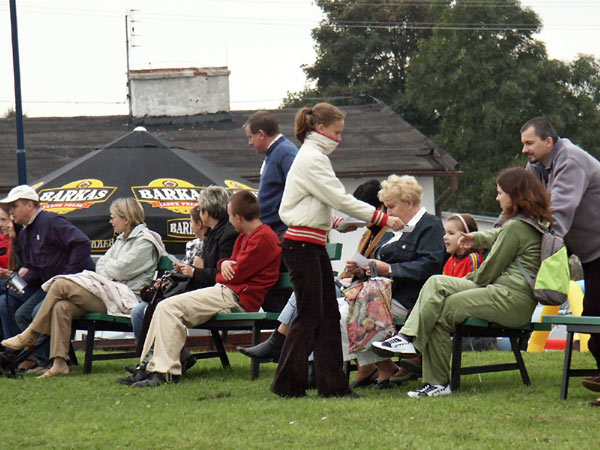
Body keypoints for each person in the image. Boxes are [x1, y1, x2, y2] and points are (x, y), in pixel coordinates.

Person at [372, 168, 552, 397]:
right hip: (508, 296)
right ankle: (421, 361)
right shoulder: (526, 223)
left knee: (439, 293)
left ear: (514, 195)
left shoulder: (516, 227)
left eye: (500, 193)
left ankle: (414, 348)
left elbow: (488, 272)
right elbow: (497, 236)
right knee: (438, 295)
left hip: (511, 299)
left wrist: (463, 280)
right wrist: (474, 238)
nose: (497, 198)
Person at [270, 103, 404, 399]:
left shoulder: (309, 155)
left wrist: (334, 222)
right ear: (321, 129)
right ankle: (289, 382)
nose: (340, 138)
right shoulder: (313, 158)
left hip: (308, 242)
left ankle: (331, 385)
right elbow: (339, 197)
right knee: (311, 315)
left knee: (327, 315)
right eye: (337, 132)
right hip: (304, 245)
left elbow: (310, 203)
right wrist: (381, 218)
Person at [129, 190, 281, 387]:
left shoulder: (263, 238)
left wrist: (223, 267)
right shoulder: (246, 236)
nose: (228, 219)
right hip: (226, 292)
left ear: (238, 217)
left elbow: (235, 273)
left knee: (168, 308)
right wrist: (224, 264)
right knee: (165, 306)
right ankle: (150, 366)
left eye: (229, 214)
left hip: (236, 297)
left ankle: (164, 371)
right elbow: (228, 265)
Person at [1, 198, 165, 377]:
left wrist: (111, 269)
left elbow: (119, 268)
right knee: (62, 306)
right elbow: (101, 265)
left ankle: (31, 332)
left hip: (126, 300)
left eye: (113, 217)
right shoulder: (121, 240)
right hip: (110, 293)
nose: (110, 221)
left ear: (126, 219)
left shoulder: (146, 241)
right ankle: (59, 363)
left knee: (61, 284)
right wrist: (111, 270)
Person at [237, 179, 387, 362]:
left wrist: (358, 272)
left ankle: (280, 341)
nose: (360, 218)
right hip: (352, 288)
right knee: (310, 292)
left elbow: (381, 268)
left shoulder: (384, 233)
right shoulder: (370, 233)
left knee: (311, 291)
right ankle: (293, 353)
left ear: (379, 208)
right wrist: (351, 272)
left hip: (367, 292)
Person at [519, 117, 600, 398]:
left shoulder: (571, 160)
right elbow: (522, 204)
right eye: (523, 144)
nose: (525, 150)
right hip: (590, 253)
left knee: (594, 316)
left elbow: (560, 208)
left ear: (548, 141)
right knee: (593, 318)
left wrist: (545, 247)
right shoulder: (537, 167)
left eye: (529, 143)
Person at [123, 188, 236, 383]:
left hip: (218, 293)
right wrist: (187, 272)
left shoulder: (226, 235)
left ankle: (161, 367)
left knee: (157, 308)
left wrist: (195, 272)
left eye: (200, 209)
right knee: (144, 310)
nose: (198, 213)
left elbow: (223, 276)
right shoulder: (214, 235)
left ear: (206, 213)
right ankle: (153, 364)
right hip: (206, 290)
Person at [344, 175, 446, 389]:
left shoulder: (430, 226)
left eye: (391, 207)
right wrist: (363, 269)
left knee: (348, 313)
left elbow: (430, 266)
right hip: (381, 294)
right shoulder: (397, 230)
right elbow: (381, 266)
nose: (388, 214)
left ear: (409, 203)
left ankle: (378, 367)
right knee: (336, 310)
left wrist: (388, 268)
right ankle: (380, 366)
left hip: (409, 299)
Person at [0, 185, 95, 371]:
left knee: (34, 313)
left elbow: (82, 243)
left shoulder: (51, 221)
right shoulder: (27, 232)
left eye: (14, 205)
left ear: (30, 205)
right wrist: (21, 282)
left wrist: (68, 276)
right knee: (14, 308)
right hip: (46, 286)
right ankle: (36, 359)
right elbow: (35, 267)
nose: (11, 211)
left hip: (69, 286)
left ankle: (51, 361)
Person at [244, 111, 298, 237]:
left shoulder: (285, 153)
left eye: (250, 137)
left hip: (281, 230)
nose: (250, 143)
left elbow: (297, 188)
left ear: (261, 134)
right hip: (273, 229)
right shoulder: (275, 153)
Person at [442, 214, 484, 278]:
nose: (445, 237)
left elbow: (473, 286)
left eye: (451, 233)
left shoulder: (473, 260)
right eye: (445, 233)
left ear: (465, 236)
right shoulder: (450, 261)